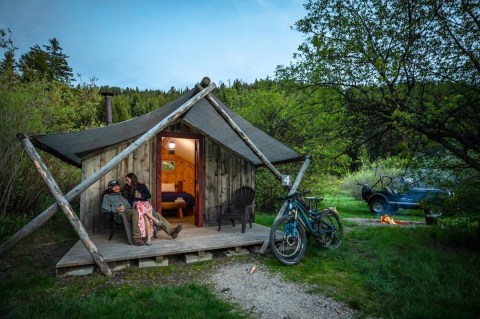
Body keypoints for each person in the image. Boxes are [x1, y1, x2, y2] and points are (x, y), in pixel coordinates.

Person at [123, 173, 183, 244]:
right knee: (153, 214)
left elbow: (148, 195)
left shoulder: (141, 186)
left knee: (156, 214)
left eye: (127, 180)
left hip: (144, 205)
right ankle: (146, 234)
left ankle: (172, 231)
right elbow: (126, 198)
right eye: (126, 181)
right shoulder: (126, 188)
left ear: (132, 179)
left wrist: (141, 196)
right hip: (135, 207)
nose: (126, 182)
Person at [101, 179, 145, 246]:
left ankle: (146, 234)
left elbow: (129, 205)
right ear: (110, 188)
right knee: (135, 212)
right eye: (114, 187)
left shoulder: (122, 195)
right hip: (119, 215)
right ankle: (137, 238)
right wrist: (116, 209)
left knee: (146, 212)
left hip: (128, 212)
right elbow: (104, 208)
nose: (116, 188)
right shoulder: (107, 197)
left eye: (117, 186)